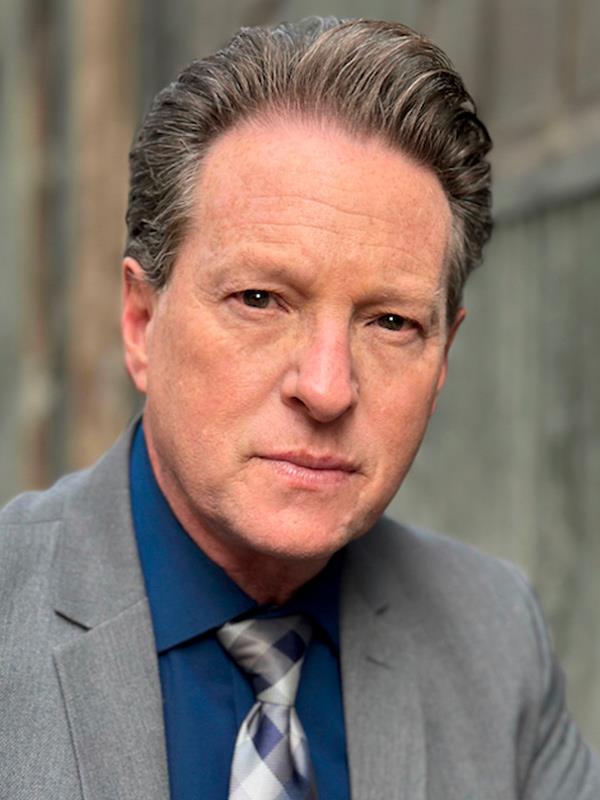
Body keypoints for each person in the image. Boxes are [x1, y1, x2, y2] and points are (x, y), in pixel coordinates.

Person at [1, 16, 598, 800]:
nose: (326, 388)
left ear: (445, 355)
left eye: (391, 322)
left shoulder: (495, 638)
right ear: (142, 322)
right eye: (260, 299)